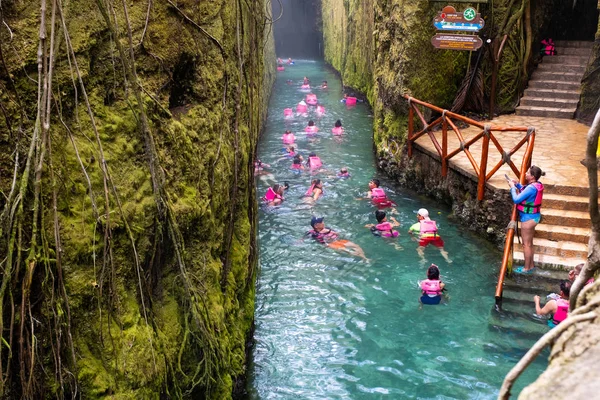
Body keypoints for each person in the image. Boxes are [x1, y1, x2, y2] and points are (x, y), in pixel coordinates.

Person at [508, 165, 545, 274]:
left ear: (532, 176)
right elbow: (526, 192)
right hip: (534, 216)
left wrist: (512, 188)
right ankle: (531, 265)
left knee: (526, 245)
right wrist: (517, 185)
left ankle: (526, 268)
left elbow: (516, 199)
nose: (525, 174)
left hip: (528, 219)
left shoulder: (531, 188)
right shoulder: (537, 185)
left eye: (527, 173)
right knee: (530, 243)